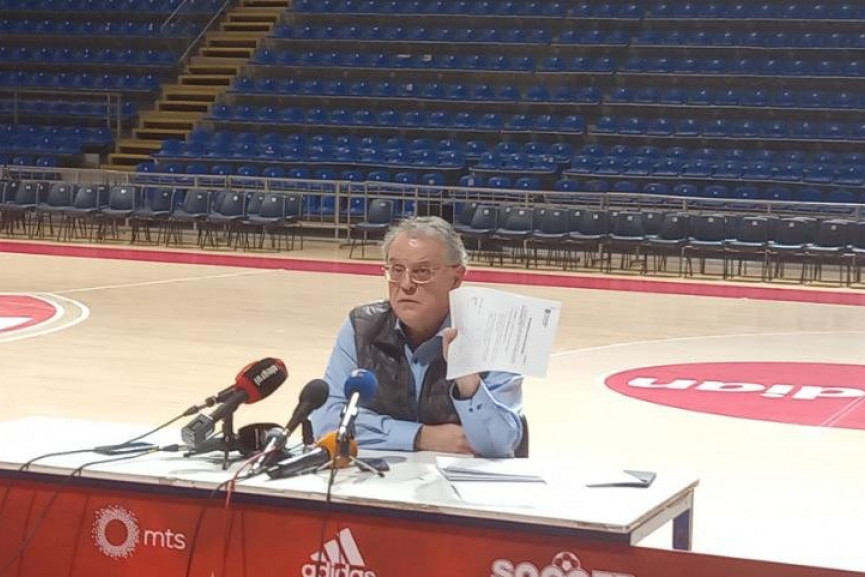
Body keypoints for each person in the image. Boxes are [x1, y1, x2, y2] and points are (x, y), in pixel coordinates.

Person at [311, 216, 523, 457]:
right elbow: (327, 422)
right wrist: (420, 436)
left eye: (422, 272)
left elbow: (499, 444)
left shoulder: (493, 334)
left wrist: (469, 383)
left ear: (456, 278)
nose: (406, 284)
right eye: (396, 270)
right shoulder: (362, 327)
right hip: (377, 477)